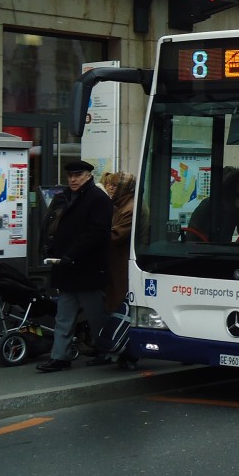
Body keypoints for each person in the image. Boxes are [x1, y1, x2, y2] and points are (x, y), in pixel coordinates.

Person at [38, 160, 112, 373]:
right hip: (66, 267)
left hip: (87, 268)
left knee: (96, 316)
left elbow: (98, 232)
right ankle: (59, 357)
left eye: (78, 175)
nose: (73, 179)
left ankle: (106, 350)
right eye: (70, 176)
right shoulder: (64, 197)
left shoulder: (98, 199)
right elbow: (51, 226)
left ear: (89, 175)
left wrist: (72, 254)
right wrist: (50, 249)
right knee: (64, 316)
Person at [93, 171, 139, 370]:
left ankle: (123, 352)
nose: (111, 189)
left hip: (121, 266)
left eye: (115, 186)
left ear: (124, 189)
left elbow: (116, 235)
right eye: (109, 185)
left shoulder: (129, 208)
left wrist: (94, 232)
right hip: (116, 265)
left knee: (120, 310)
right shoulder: (121, 205)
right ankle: (116, 350)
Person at [188, 166, 239, 243]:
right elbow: (192, 231)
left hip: (223, 250)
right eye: (237, 183)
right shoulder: (209, 204)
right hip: (203, 249)